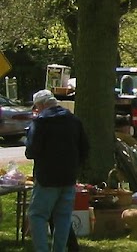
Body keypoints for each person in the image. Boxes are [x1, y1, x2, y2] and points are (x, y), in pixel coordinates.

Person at [26, 90, 88, 252]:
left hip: (46, 178)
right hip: (68, 176)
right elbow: (85, 149)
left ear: (41, 105)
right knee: (63, 218)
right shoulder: (74, 121)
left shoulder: (40, 123)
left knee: (37, 215)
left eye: (37, 108)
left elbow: (31, 151)